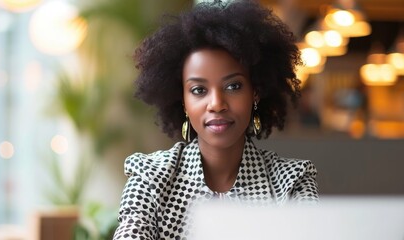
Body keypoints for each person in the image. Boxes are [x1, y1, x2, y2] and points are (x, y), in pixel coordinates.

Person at [114, 1, 319, 239]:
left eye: (233, 86)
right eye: (199, 90)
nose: (217, 104)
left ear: (256, 92)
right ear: (182, 99)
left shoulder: (292, 181)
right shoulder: (150, 177)